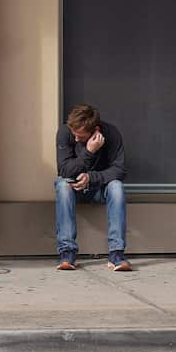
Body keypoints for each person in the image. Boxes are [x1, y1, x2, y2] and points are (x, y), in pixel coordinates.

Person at [54, 104, 129, 271]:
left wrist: (91, 178)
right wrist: (88, 151)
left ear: (95, 130)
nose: (75, 139)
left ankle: (116, 254)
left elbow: (120, 169)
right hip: (74, 189)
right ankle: (67, 253)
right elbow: (64, 170)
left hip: (99, 189)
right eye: (74, 135)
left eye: (80, 136)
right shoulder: (65, 132)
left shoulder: (111, 134)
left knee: (117, 187)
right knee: (62, 184)